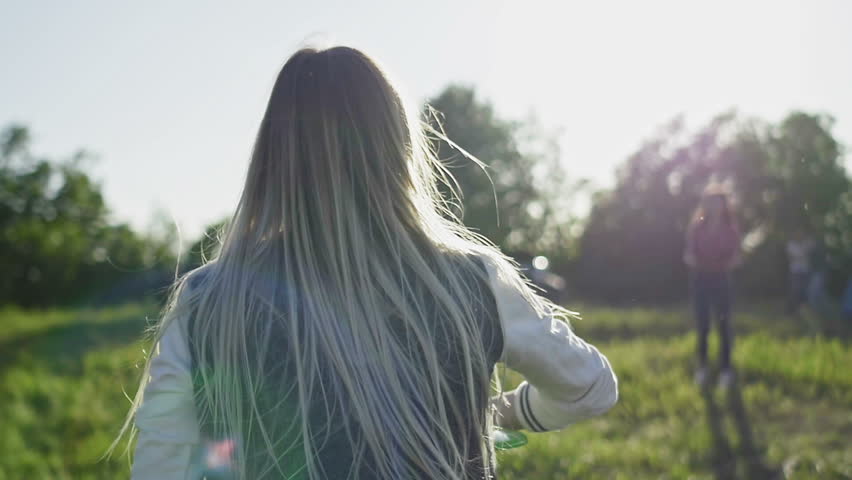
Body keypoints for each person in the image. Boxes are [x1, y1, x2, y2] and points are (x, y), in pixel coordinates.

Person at [113, 46, 617, 480]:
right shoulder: (473, 279)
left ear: (273, 156)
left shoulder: (205, 302)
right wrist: (504, 414)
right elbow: (591, 389)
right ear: (397, 148)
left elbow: (162, 467)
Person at [684, 187, 741, 388]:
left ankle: (726, 369)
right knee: (703, 325)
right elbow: (689, 253)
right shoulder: (697, 227)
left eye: (718, 201)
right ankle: (703, 368)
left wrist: (730, 261)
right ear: (705, 204)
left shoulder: (730, 228)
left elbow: (736, 255)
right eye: (711, 201)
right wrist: (693, 260)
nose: (715, 206)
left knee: (724, 325)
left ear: (724, 204)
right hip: (701, 279)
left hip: (722, 279)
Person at [786, 229, 814, 315]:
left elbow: (811, 250)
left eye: (801, 234)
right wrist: (802, 255)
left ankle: (802, 311)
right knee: (795, 290)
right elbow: (791, 257)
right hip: (795, 271)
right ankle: (792, 310)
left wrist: (802, 254)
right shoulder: (791, 245)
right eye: (798, 234)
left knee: (804, 291)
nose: (800, 235)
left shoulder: (806, 244)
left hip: (805, 271)